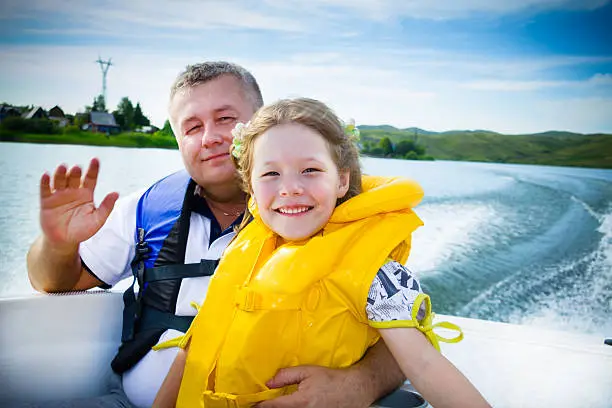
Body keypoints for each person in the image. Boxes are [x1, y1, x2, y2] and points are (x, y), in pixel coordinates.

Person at [26, 62, 407, 408]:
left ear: (261, 124)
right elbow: (54, 281)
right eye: (192, 127)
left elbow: (405, 333)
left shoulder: (331, 215)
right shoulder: (145, 208)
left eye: (225, 118)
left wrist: (359, 385)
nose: (209, 137)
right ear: (178, 139)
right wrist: (59, 243)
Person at [153, 98, 491, 408]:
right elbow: (197, 345)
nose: (290, 188)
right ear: (251, 186)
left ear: (341, 180)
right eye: (271, 173)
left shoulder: (376, 273)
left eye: (310, 170)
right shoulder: (244, 249)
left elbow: (424, 363)